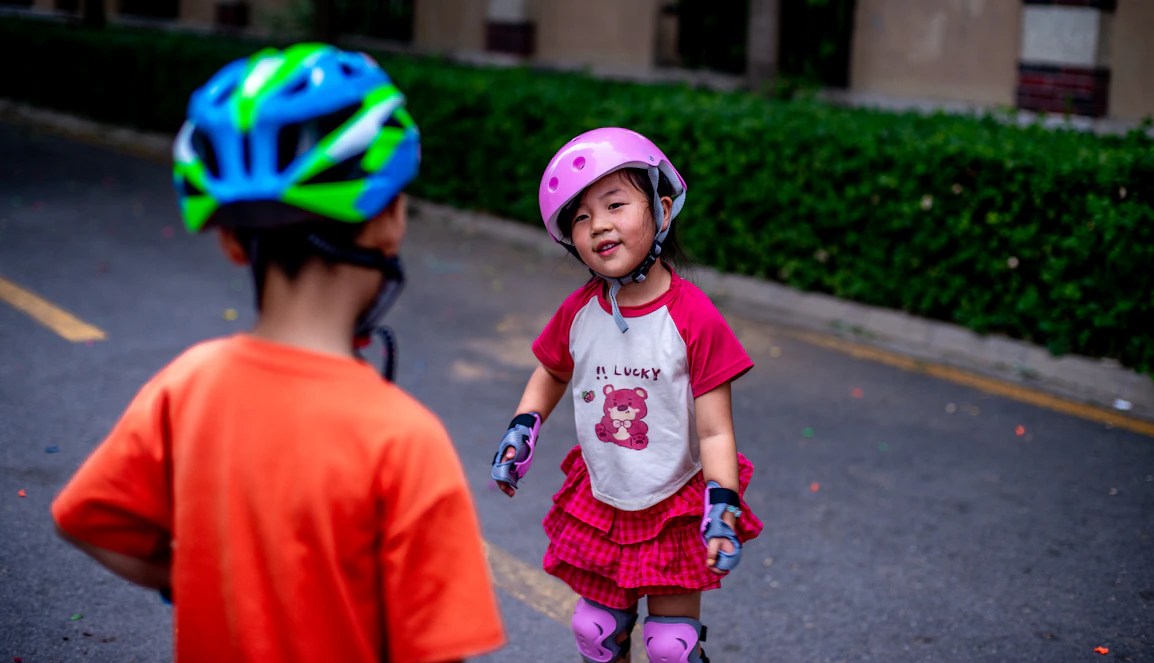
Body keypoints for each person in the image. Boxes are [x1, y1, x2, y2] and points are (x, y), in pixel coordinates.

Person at [51, 43, 505, 663]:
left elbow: (87, 519)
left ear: (233, 243)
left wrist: (193, 580)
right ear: (389, 221)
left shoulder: (187, 387)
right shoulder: (404, 441)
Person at [491, 128, 762, 663]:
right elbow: (550, 371)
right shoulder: (578, 311)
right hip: (602, 502)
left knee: (670, 646)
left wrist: (723, 501)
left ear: (662, 211)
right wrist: (522, 429)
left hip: (674, 506)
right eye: (582, 217)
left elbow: (715, 429)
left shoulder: (693, 317)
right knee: (596, 631)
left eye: (615, 204)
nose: (600, 226)